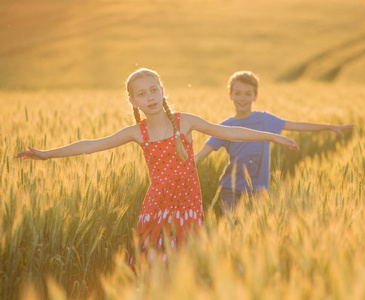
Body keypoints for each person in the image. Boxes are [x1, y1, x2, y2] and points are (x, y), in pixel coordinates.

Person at [16, 68, 299, 267]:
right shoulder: (137, 132)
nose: (149, 97)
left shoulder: (185, 121)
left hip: (189, 205)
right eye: (141, 94)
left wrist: (273, 135)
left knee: (184, 262)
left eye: (154, 90)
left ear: (162, 90)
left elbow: (231, 133)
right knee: (150, 261)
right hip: (157, 206)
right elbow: (91, 144)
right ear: (133, 100)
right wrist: (46, 154)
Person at [195, 71, 354, 211]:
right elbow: (203, 154)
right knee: (234, 230)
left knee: (256, 231)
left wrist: (330, 126)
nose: (242, 98)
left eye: (248, 94)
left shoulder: (266, 120)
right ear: (230, 95)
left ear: (255, 96)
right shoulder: (225, 126)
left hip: (260, 189)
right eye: (238, 93)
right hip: (231, 189)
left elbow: (296, 125)